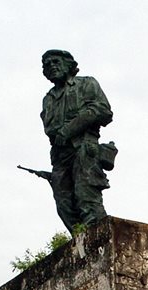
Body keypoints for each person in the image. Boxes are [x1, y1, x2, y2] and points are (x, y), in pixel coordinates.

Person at [40, 49, 114, 233]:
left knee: (86, 198)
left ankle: (100, 238)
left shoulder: (86, 84)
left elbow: (103, 110)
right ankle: (80, 241)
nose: (51, 66)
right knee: (63, 204)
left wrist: (69, 129)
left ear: (69, 65)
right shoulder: (48, 99)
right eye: (47, 65)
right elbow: (48, 128)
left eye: (56, 62)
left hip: (83, 148)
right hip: (60, 155)